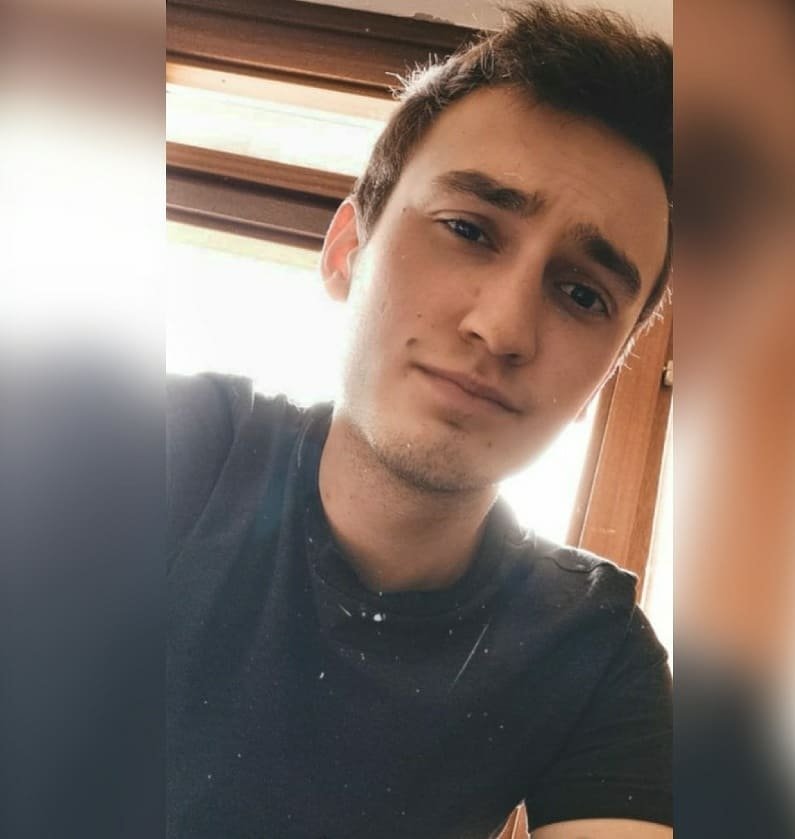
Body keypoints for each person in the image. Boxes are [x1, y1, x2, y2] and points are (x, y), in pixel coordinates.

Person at [167, 4, 673, 837]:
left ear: (603, 376)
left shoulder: (594, 652)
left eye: (583, 294)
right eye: (468, 229)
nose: (502, 328)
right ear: (347, 250)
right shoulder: (165, 447)